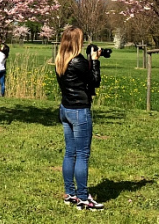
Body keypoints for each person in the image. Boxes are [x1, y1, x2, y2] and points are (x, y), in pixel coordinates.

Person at [55, 27, 104, 211]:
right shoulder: (78, 61)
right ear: (77, 41)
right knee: (82, 154)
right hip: (79, 111)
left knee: (70, 152)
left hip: (65, 109)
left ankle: (70, 193)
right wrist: (95, 61)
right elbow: (95, 81)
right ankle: (83, 198)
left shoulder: (60, 60)